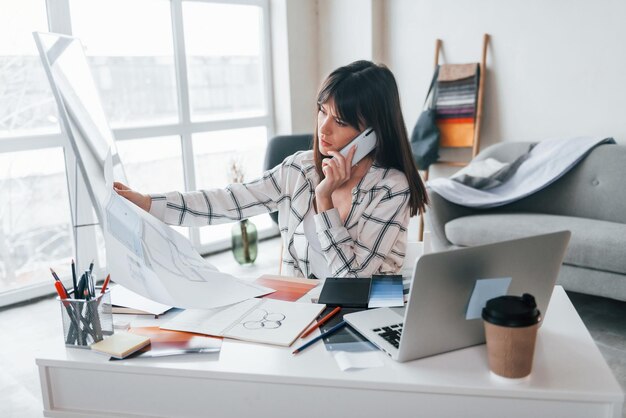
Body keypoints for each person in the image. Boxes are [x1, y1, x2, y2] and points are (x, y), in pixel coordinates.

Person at [115, 60, 428, 279]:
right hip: (302, 315)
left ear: (371, 133)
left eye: (341, 121)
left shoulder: (391, 187)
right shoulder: (300, 169)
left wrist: (324, 201)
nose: (323, 129)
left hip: (365, 320)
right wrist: (150, 204)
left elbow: (352, 279)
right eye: (322, 112)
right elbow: (230, 201)